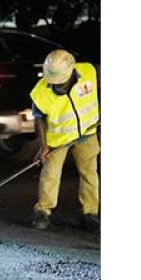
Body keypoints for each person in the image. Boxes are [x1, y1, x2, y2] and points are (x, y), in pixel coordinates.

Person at [29, 49, 100, 231]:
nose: (57, 86)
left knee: (89, 174)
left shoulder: (89, 72)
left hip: (87, 133)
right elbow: (40, 119)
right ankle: (43, 211)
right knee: (50, 174)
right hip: (58, 140)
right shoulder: (40, 93)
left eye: (60, 82)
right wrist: (44, 145)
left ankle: (90, 213)